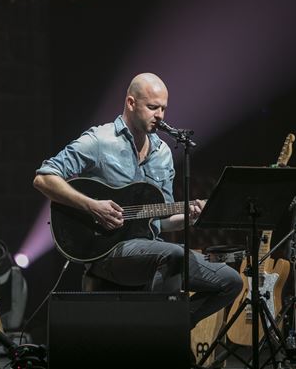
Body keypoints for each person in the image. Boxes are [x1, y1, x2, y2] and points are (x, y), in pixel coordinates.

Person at [33, 72, 242, 328]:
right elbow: (43, 178)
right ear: (131, 103)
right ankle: (158, 335)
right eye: (153, 107)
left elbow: (161, 221)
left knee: (231, 281)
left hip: (152, 249)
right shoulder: (99, 140)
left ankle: (167, 328)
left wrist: (191, 215)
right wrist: (92, 206)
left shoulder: (163, 153)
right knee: (174, 254)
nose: (160, 115)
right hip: (108, 252)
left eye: (164, 108)